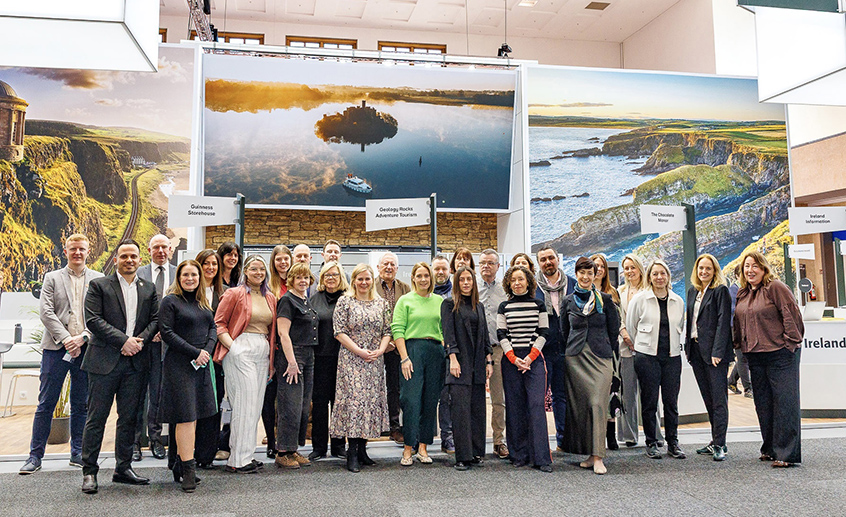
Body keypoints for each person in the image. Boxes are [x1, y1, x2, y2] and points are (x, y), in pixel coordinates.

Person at [80, 239, 159, 494]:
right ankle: (89, 472)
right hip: (104, 362)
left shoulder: (148, 288)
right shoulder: (99, 285)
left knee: (129, 420)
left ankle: (122, 468)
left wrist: (138, 342)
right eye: (124, 256)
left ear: (139, 259)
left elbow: (156, 320)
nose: (129, 260)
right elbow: (93, 320)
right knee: (96, 419)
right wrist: (123, 341)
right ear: (116, 259)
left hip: (135, 363)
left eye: (133, 256)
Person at [20, 234, 103, 475]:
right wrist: (67, 339)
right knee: (46, 403)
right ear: (65, 251)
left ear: (89, 251)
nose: (77, 253)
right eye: (73, 249)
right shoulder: (52, 278)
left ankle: (77, 452)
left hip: (86, 349)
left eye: (82, 249)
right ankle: (35, 456)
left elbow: (101, 315)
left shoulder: (98, 279)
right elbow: (46, 312)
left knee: (81, 403)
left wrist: (83, 337)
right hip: (56, 349)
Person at [733, 251, 804, 467]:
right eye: (747, 266)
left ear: (764, 268)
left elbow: (791, 314)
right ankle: (771, 448)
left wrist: (790, 342)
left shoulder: (775, 287)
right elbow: (738, 321)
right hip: (755, 355)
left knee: (785, 403)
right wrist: (739, 345)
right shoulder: (743, 293)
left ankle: (786, 454)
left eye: (755, 266)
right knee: (763, 404)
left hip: (780, 354)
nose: (750, 270)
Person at [158, 260, 218, 492]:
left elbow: (213, 328)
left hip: (200, 364)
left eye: (194, 274)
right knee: (186, 417)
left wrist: (208, 351)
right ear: (179, 277)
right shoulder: (170, 301)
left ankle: (179, 465)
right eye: (185, 275)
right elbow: (167, 333)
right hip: (179, 365)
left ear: (199, 277)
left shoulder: (203, 302)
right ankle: (189, 470)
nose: (190, 278)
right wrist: (196, 352)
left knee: (195, 417)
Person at [214, 255, 277, 474]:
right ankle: (237, 459)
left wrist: (271, 362)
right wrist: (233, 348)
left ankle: (246, 455)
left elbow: (272, 330)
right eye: (254, 268)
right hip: (240, 348)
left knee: (255, 406)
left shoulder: (270, 297)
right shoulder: (233, 293)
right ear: (246, 271)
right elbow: (219, 324)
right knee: (244, 405)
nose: (259, 272)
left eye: (262, 269)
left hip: (262, 350)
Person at [559, 257, 620, 475]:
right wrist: (571, 349)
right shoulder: (567, 301)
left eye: (589, 273)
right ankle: (590, 454)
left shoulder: (605, 299)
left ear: (596, 275)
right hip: (575, 359)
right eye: (581, 273)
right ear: (576, 274)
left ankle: (599, 456)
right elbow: (563, 331)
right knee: (582, 409)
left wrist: (604, 348)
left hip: (600, 359)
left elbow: (614, 329)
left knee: (597, 404)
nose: (585, 277)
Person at [330, 264, 393, 472]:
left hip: (374, 361)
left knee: (369, 403)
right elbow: (339, 331)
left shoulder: (381, 303)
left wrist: (381, 350)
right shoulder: (345, 302)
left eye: (367, 279)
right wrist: (359, 351)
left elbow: (387, 330)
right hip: (351, 359)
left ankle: (363, 450)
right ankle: (352, 453)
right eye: (360, 279)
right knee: (355, 404)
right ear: (354, 281)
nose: (364, 283)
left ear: (371, 280)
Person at [627, 259, 686, 460]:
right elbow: (630, 325)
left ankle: (673, 442)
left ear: (668, 276)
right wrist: (643, 348)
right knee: (649, 402)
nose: (659, 277)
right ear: (649, 277)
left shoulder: (678, 301)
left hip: (672, 358)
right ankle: (651, 442)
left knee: (671, 403)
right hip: (647, 358)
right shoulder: (640, 299)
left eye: (663, 273)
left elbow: (681, 326)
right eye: (655, 274)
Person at [497, 265, 553, 473]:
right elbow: (501, 334)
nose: (517, 283)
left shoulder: (539, 305)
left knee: (536, 406)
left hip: (534, 359)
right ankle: (518, 455)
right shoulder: (504, 306)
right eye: (513, 280)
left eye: (521, 279)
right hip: (511, 361)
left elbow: (544, 332)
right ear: (509, 284)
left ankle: (541, 458)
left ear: (528, 282)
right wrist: (513, 358)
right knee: (515, 407)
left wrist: (530, 357)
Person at [392, 262, 444, 466]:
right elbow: (397, 329)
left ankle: (423, 446)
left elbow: (445, 329)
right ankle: (408, 448)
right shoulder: (405, 300)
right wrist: (404, 358)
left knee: (430, 400)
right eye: (419, 276)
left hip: (435, 352)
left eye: (426, 276)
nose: (423, 279)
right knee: (411, 400)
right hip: (412, 352)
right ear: (413, 278)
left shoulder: (440, 301)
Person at [442, 267, 493, 470]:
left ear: (473, 282)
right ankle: (463, 457)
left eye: (468, 279)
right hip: (459, 362)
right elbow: (448, 334)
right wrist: (452, 358)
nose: (465, 283)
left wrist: (489, 360)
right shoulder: (449, 305)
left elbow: (485, 335)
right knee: (461, 411)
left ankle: (477, 453)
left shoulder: (478, 306)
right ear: (456, 282)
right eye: (461, 279)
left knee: (478, 410)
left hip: (478, 363)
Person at [685, 253, 733, 462]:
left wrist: (718, 352)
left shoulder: (720, 291)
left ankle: (720, 444)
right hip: (695, 352)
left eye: (708, 269)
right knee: (708, 398)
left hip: (714, 354)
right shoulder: (692, 291)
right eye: (701, 268)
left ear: (715, 271)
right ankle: (715, 440)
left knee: (719, 400)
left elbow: (724, 323)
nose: (704, 272)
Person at [134, 234, 175, 461]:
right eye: (155, 247)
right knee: (137, 393)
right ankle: (134, 442)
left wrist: (165, 331)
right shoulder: (139, 273)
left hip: (167, 345)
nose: (160, 250)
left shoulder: (179, 272)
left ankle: (156, 439)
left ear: (170, 249)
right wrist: (149, 333)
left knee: (158, 393)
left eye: (164, 247)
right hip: (142, 343)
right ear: (149, 251)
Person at [615, 254, 663, 448]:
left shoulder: (649, 291)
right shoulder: (619, 291)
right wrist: (625, 335)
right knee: (627, 394)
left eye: (633, 267)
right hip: (626, 348)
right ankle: (629, 436)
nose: (629, 271)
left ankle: (656, 435)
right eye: (626, 268)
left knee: (650, 395)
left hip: (647, 350)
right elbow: (618, 318)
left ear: (640, 269)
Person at [274, 261, 319, 469]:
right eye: (298, 277)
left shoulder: (305, 299)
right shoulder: (287, 300)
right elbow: (283, 333)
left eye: (306, 277)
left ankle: (293, 449)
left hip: (309, 354)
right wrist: (291, 362)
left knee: (302, 405)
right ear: (291, 279)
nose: (303, 281)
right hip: (293, 355)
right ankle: (282, 452)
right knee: (290, 405)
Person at [535, 245, 576, 452]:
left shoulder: (573, 284)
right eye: (543, 259)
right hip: (542, 350)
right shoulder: (534, 287)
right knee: (539, 397)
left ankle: (563, 440)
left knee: (563, 396)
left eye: (550, 258)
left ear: (557, 259)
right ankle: (541, 443)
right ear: (539, 263)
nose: (547, 262)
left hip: (568, 350)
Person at [310, 261, 350, 461]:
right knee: (319, 402)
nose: (331, 278)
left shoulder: (348, 298)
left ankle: (338, 445)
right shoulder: (313, 299)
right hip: (319, 359)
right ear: (322, 278)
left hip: (343, 359)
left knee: (339, 403)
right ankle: (318, 447)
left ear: (341, 277)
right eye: (327, 275)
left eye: (334, 275)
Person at [193, 249, 228, 469]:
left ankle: (207, 454)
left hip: (215, 358)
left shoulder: (223, 293)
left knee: (213, 405)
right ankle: (188, 453)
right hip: (191, 356)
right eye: (206, 263)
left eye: (214, 264)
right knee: (191, 406)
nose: (211, 268)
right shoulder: (188, 291)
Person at [375, 251, 411, 445]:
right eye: (385, 264)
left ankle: (395, 427)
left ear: (397, 269)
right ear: (378, 267)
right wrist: (382, 342)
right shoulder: (369, 286)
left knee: (395, 388)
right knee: (373, 387)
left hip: (398, 346)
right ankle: (376, 425)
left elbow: (409, 315)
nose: (389, 267)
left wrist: (395, 340)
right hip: (374, 346)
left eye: (392, 265)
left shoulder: (405, 289)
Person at [477, 249, 509, 460]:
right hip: (475, 351)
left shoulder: (505, 291)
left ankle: (499, 441)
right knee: (475, 399)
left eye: (491, 263)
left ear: (498, 266)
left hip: (498, 350)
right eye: (482, 263)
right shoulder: (470, 289)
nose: (486, 266)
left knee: (499, 399)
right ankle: (476, 443)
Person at [262, 244, 292, 459]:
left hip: (290, 349)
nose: (283, 262)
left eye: (286, 259)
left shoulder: (297, 284)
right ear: (273, 262)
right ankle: (270, 442)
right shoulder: (268, 286)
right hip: (271, 347)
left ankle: (285, 443)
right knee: (268, 399)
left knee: (286, 399)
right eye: (278, 259)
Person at [591, 253, 621, 451]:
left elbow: (617, 323)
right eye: (595, 266)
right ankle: (595, 436)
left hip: (611, 348)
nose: (599, 269)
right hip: (591, 350)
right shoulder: (584, 293)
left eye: (602, 266)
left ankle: (611, 434)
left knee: (612, 391)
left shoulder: (613, 294)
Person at [432, 254, 454, 453]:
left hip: (451, 352)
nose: (440, 272)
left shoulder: (456, 294)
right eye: (436, 268)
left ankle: (447, 437)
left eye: (443, 269)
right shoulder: (424, 293)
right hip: (430, 351)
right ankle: (422, 437)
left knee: (447, 397)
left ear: (449, 271)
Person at [727, 264, 753, 398]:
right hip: (735, 329)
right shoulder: (732, 291)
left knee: (744, 357)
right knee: (742, 357)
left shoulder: (748, 290)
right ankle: (748, 388)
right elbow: (733, 312)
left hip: (747, 328)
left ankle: (731, 381)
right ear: (737, 275)